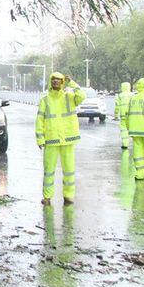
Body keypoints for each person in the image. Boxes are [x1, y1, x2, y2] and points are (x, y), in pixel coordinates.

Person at [35, 72, 86, 206]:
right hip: (51, 140)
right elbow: (40, 120)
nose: (56, 82)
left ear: (63, 82)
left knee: (69, 170)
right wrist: (40, 139)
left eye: (59, 80)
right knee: (48, 171)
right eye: (53, 79)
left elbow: (82, 96)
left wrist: (72, 83)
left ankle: (68, 196)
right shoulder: (45, 100)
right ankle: (47, 197)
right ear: (50, 81)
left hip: (68, 139)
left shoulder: (70, 97)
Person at [114, 81, 133, 149]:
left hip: (123, 116)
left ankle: (125, 144)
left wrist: (116, 115)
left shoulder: (119, 96)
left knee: (124, 130)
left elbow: (117, 106)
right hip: (132, 116)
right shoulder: (133, 95)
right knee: (133, 130)